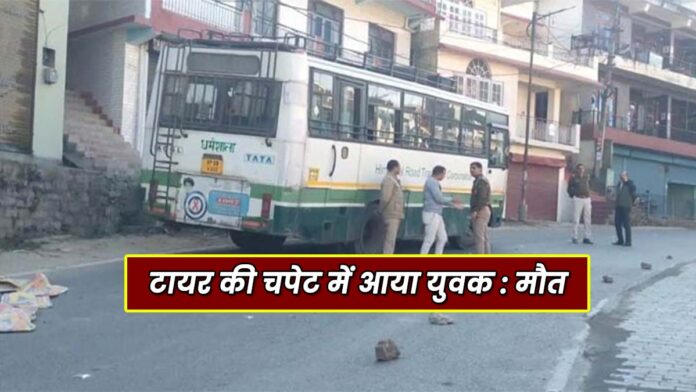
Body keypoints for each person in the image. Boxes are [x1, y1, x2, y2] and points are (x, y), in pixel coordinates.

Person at [420, 166, 463, 254]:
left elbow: (439, 200)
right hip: (432, 214)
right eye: (444, 174)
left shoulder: (433, 182)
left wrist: (453, 205)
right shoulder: (432, 182)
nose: (444, 176)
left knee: (442, 238)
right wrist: (452, 199)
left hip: (437, 214)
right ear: (440, 173)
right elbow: (439, 198)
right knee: (429, 240)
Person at [379, 160, 405, 254]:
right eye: (398, 167)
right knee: (390, 240)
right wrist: (381, 210)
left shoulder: (394, 179)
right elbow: (385, 198)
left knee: (391, 239)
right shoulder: (389, 180)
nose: (400, 169)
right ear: (394, 168)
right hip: (391, 213)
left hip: (395, 213)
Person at [567, 164, 593, 244]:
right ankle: (574, 236)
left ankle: (587, 237)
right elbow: (569, 188)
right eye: (580, 169)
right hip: (578, 198)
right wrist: (573, 194)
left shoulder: (587, 177)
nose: (581, 170)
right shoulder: (574, 178)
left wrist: (589, 193)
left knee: (587, 219)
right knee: (576, 218)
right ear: (577, 170)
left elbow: (590, 185)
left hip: (587, 198)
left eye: (583, 168)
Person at [470, 162, 491, 254]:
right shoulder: (478, 180)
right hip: (482, 209)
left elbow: (481, 198)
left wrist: (475, 211)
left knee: (479, 238)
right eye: (471, 168)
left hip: (481, 210)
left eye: (474, 168)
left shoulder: (481, 181)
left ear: (480, 169)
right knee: (483, 237)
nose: (471, 170)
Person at [614, 171, 637, 247]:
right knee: (617, 223)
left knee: (626, 223)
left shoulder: (630, 184)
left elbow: (634, 192)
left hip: (626, 206)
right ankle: (620, 240)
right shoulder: (619, 184)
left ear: (627, 176)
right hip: (618, 205)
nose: (621, 177)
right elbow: (617, 193)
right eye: (621, 175)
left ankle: (628, 241)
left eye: (623, 175)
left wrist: (631, 203)